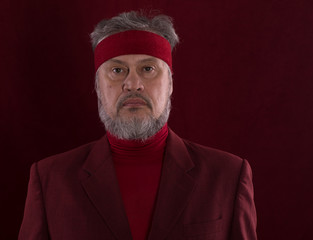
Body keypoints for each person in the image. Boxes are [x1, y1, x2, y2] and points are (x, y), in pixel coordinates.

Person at [18, 10, 257, 240]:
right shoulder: (50, 180)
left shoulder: (227, 176)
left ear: (171, 83)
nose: (133, 84)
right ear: (98, 86)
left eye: (148, 68)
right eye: (117, 70)